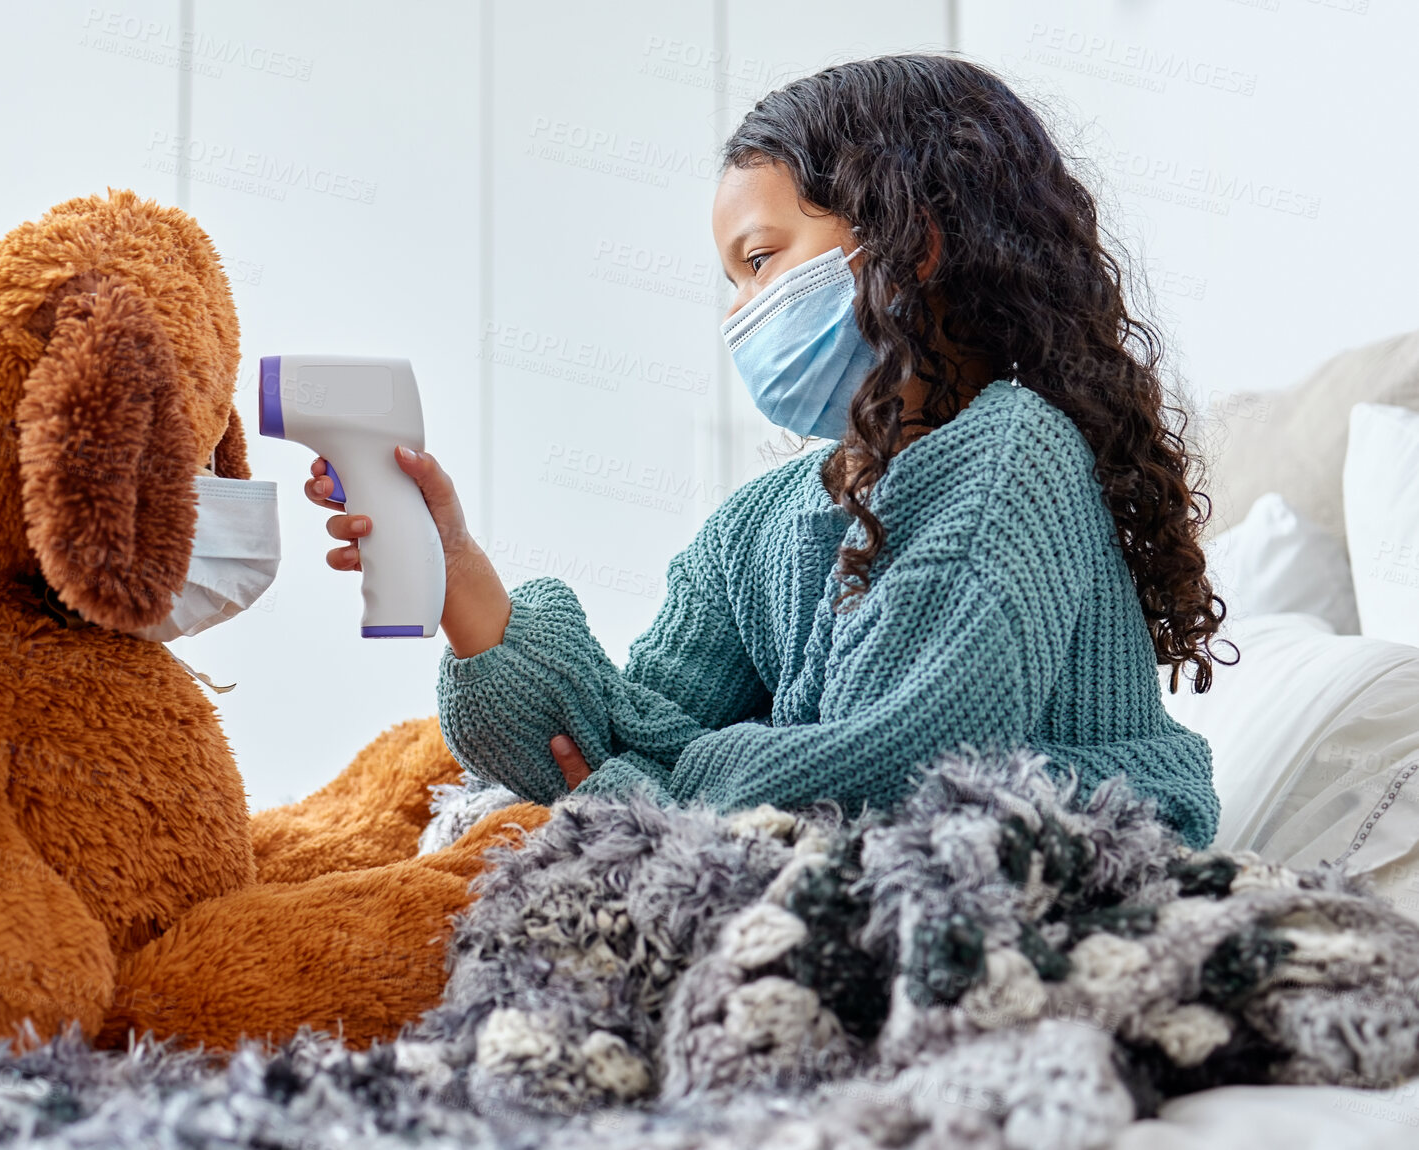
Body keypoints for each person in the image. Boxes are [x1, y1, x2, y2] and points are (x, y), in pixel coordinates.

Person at [309, 54, 1226, 849]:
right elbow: (614, 733)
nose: (741, 314)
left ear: (914, 242)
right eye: (730, 282)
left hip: (1056, 864)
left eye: (760, 260)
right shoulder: (764, 523)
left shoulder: (1013, 455)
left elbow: (907, 771)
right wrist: (463, 584)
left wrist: (651, 789)